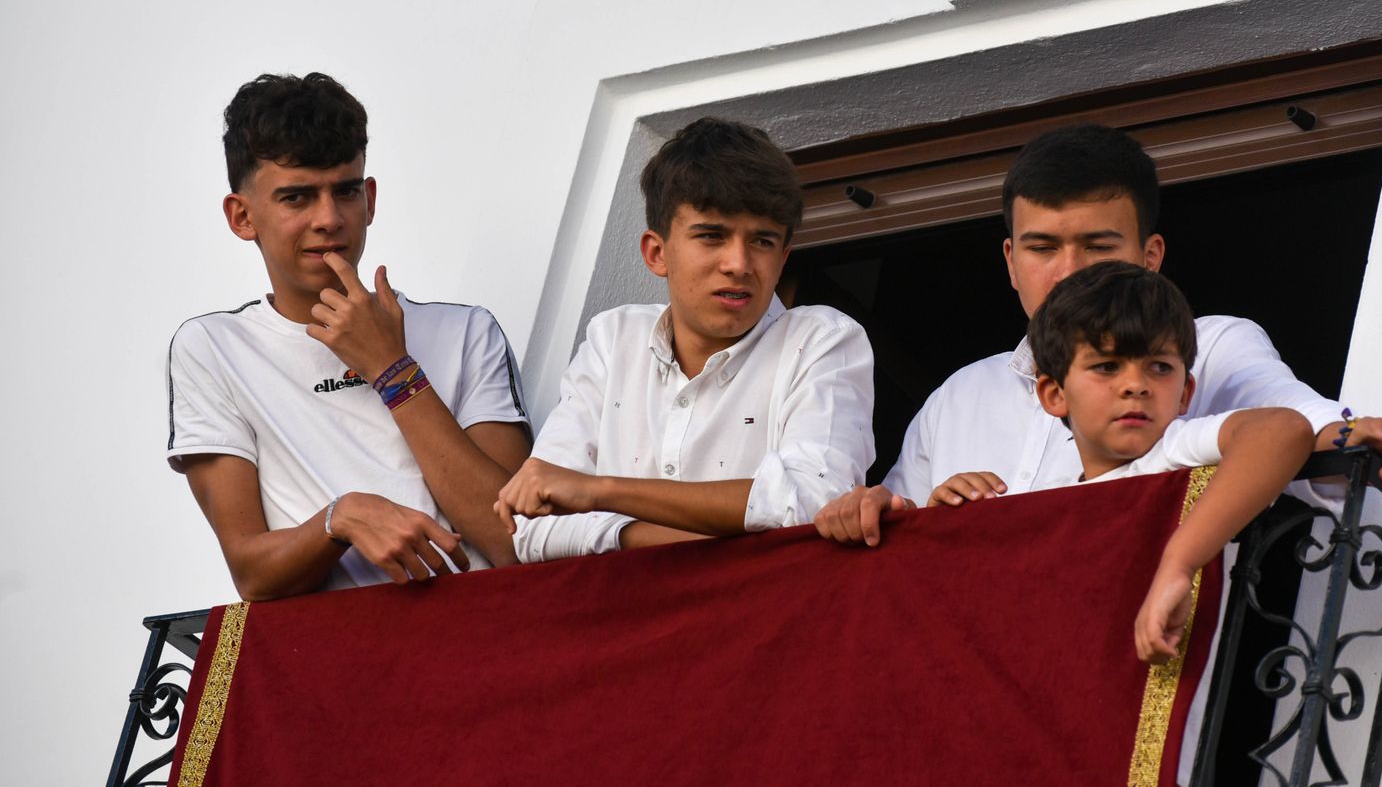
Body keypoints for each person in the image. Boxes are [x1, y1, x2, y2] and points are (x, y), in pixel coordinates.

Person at [814, 123, 1382, 546]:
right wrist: (887, 512)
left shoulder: (1210, 346)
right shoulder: (959, 396)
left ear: (1151, 255)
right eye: (1043, 248)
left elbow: (1301, 421)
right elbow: (894, 529)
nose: (1068, 272)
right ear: (1009, 261)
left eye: (1099, 245)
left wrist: (1372, 439)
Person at [166, 73, 532, 599]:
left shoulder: (467, 330)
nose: (329, 218)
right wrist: (342, 517)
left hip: (477, 637)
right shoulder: (213, 348)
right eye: (297, 198)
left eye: (345, 191)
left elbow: (516, 542)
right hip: (335, 655)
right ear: (242, 216)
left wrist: (392, 370)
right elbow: (251, 573)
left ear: (371, 198)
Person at [495, 117, 873, 562]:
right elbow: (532, 531)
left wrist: (599, 491)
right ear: (657, 253)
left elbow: (812, 502)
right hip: (621, 625)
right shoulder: (612, 339)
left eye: (763, 241)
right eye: (712, 235)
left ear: (783, 257)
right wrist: (710, 541)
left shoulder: (822, 340)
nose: (738, 263)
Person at [997, 261, 1315, 661]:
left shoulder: (1170, 452)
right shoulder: (1052, 502)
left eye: (1160, 367)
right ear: (1054, 394)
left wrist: (1179, 562)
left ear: (1185, 393)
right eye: (1107, 366)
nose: (1136, 385)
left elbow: (1282, 429)